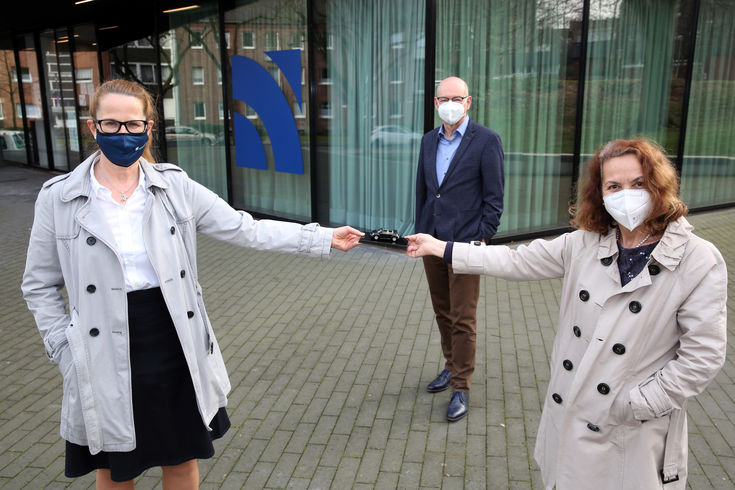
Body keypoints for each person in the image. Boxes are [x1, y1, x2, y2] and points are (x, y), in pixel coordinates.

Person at [21, 79, 362, 489]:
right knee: (115, 469)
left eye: (132, 124)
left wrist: (321, 236)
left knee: (181, 458)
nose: (122, 134)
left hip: (172, 336)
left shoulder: (173, 187)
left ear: (149, 128)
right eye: (111, 124)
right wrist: (64, 348)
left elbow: (244, 228)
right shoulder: (59, 198)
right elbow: (38, 284)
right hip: (101, 345)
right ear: (93, 128)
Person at [406, 138, 727, 489]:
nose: (627, 195)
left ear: (659, 185)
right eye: (614, 186)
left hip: (631, 430)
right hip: (573, 414)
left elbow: (703, 357)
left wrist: (637, 404)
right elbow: (516, 260)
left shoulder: (697, 258)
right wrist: (441, 248)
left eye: (638, 183)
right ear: (600, 194)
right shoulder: (586, 242)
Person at [414, 76, 504, 421]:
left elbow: (494, 197)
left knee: (463, 317)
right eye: (443, 98)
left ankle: (461, 387)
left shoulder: (486, 141)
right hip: (433, 240)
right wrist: (420, 233)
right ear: (436, 104)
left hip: (466, 243)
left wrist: (482, 237)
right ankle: (451, 366)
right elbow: (423, 191)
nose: (449, 103)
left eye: (457, 97)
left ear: (468, 102)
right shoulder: (427, 141)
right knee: (443, 310)